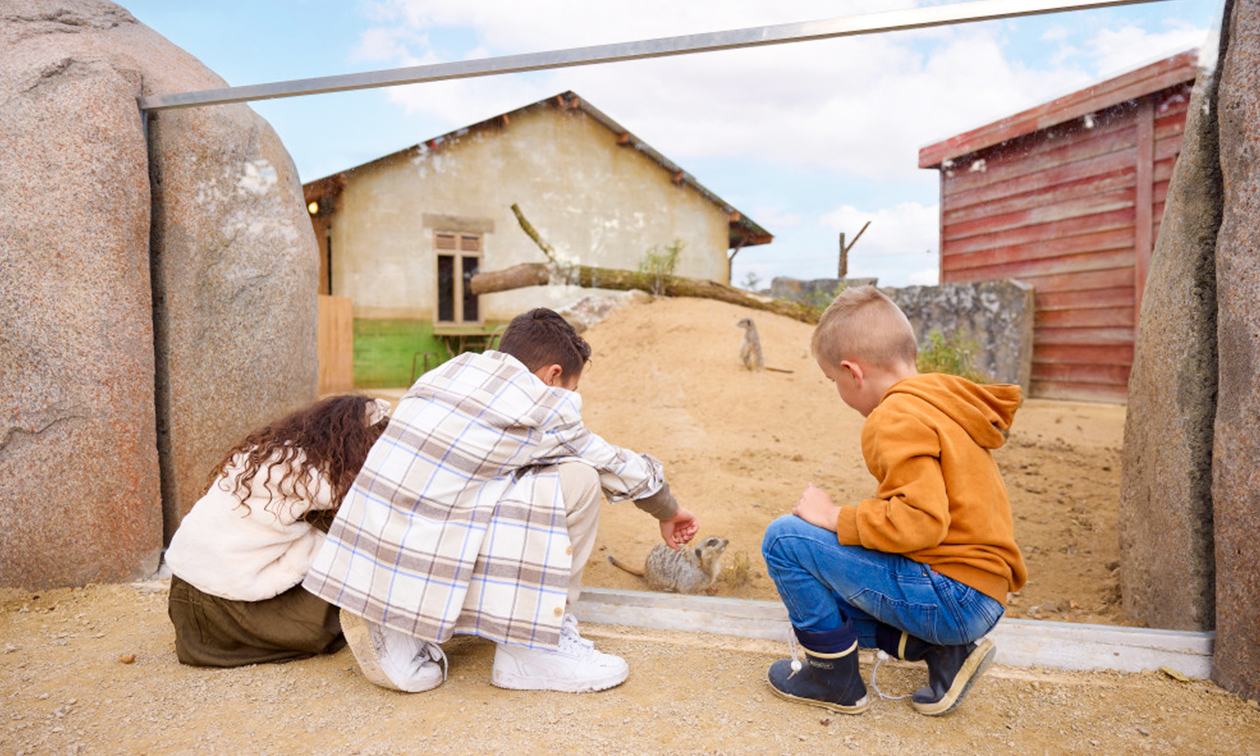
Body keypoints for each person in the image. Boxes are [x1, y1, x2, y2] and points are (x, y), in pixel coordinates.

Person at [304, 307, 698, 694]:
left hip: (372, 549)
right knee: (577, 478)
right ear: (553, 374)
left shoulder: (446, 373)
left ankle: (393, 618)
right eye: (572, 390)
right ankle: (533, 649)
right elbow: (611, 462)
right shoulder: (540, 401)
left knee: (488, 478)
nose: (571, 399)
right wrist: (669, 509)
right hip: (429, 556)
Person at [761, 285, 1026, 717]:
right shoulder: (942, 403)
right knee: (832, 572)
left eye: (834, 381)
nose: (839, 391)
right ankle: (942, 652)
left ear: (853, 372)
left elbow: (920, 522)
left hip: (952, 596)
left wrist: (833, 516)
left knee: (785, 540)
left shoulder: (893, 416)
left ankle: (833, 679)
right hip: (980, 594)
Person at [165, 394, 391, 667]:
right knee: (358, 532)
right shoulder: (315, 474)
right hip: (229, 609)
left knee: (321, 525)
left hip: (186, 602)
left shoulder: (270, 455)